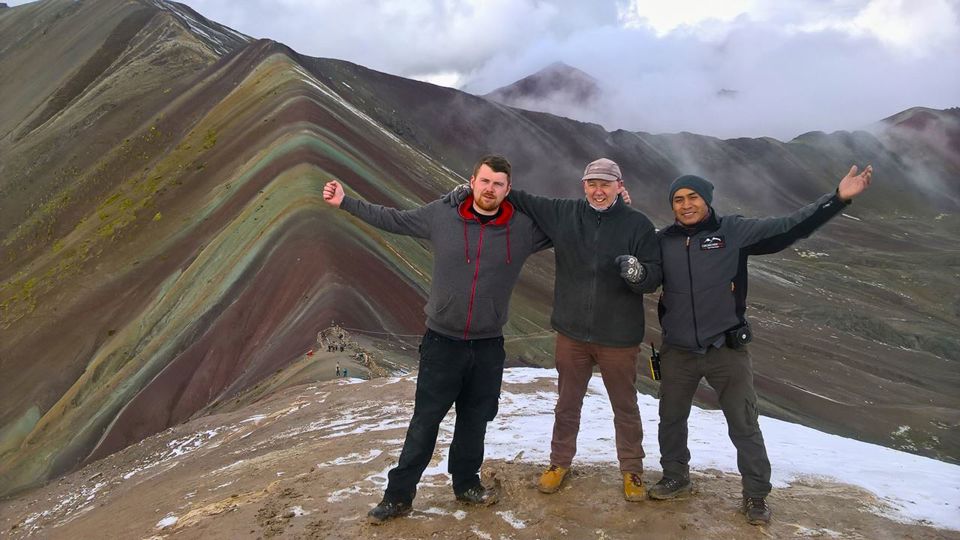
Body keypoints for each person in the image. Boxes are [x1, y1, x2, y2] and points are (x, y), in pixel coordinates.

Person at [323, 155, 551, 524]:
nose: (489, 189)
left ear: (509, 190)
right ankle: (398, 496)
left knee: (475, 420)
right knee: (425, 421)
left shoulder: (522, 229)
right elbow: (394, 219)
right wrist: (346, 202)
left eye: (498, 184)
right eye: (484, 181)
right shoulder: (442, 216)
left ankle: (466, 484)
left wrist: (609, 210)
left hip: (488, 344)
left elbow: (571, 229)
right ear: (471, 181)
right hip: (442, 342)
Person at [649, 165, 873, 525]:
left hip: (726, 350)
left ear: (706, 200)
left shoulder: (733, 231)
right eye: (678, 200)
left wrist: (837, 199)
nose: (686, 205)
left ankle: (755, 495)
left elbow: (788, 228)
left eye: (693, 197)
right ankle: (675, 477)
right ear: (671, 206)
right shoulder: (662, 241)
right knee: (670, 420)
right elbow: (636, 263)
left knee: (744, 423)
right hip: (677, 350)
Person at [446, 157, 662, 501]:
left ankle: (632, 470)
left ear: (620, 187)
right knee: (567, 404)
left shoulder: (637, 225)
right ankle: (559, 463)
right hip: (572, 333)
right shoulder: (565, 213)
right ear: (584, 186)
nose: (599, 190)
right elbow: (519, 198)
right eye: (593, 183)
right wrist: (467, 192)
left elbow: (654, 276)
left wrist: (638, 274)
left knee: (624, 405)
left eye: (606, 184)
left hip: (619, 337)